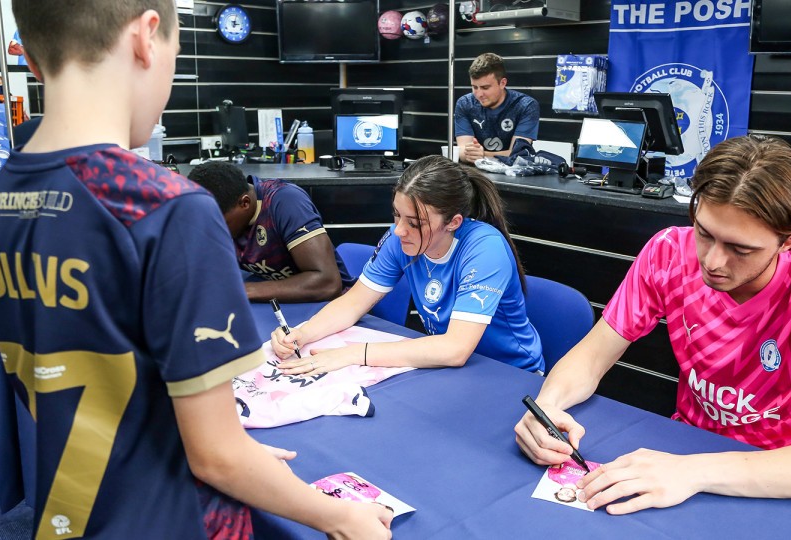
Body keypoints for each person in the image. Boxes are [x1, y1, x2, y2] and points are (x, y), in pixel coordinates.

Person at [0, 1, 391, 538]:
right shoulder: (167, 206)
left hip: (75, 511)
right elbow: (216, 456)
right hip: (171, 519)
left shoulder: (0, 197)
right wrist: (340, 515)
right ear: (148, 37)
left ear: (30, 58)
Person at [513, 135, 791, 515]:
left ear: (790, 240)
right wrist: (548, 407)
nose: (713, 261)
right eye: (704, 233)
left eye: (740, 249)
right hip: (687, 447)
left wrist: (694, 471)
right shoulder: (668, 251)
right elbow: (592, 357)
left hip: (788, 471)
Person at [271, 155, 544, 374]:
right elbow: (353, 303)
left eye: (414, 222)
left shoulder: (485, 248)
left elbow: (455, 349)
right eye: (396, 215)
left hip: (509, 375)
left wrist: (354, 353)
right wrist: (302, 333)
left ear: (453, 222)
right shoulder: (400, 237)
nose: (399, 230)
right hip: (448, 370)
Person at [187, 161, 355, 303]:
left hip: (333, 307)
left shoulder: (284, 202)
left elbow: (327, 283)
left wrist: (243, 290)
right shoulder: (220, 214)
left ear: (244, 203)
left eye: (220, 223)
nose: (213, 231)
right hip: (279, 305)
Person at [454, 52, 540, 165]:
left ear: (502, 83)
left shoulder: (526, 106)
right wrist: (470, 154)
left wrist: (483, 154)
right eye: (474, 87)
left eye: (485, 87)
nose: (479, 94)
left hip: (513, 175)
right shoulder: (464, 103)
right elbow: (463, 151)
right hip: (475, 173)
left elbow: (518, 154)